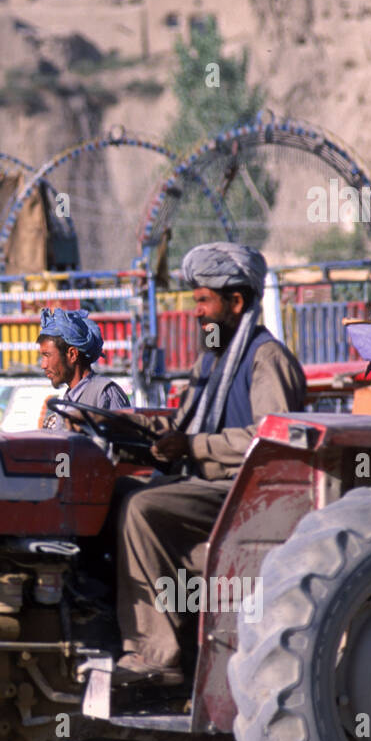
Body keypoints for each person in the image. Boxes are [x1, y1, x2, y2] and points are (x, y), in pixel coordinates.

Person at [111, 243, 306, 686]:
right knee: (117, 493)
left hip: (243, 496)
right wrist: (122, 425)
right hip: (206, 488)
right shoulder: (212, 362)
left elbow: (271, 439)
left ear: (236, 302)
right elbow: (179, 424)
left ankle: (156, 655)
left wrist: (195, 447)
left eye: (203, 301)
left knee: (144, 509)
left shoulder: (265, 358)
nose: (196, 312)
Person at [36, 307, 129, 429]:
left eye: (47, 355)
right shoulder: (69, 399)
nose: (43, 365)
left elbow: (124, 444)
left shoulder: (105, 393)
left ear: (72, 354)